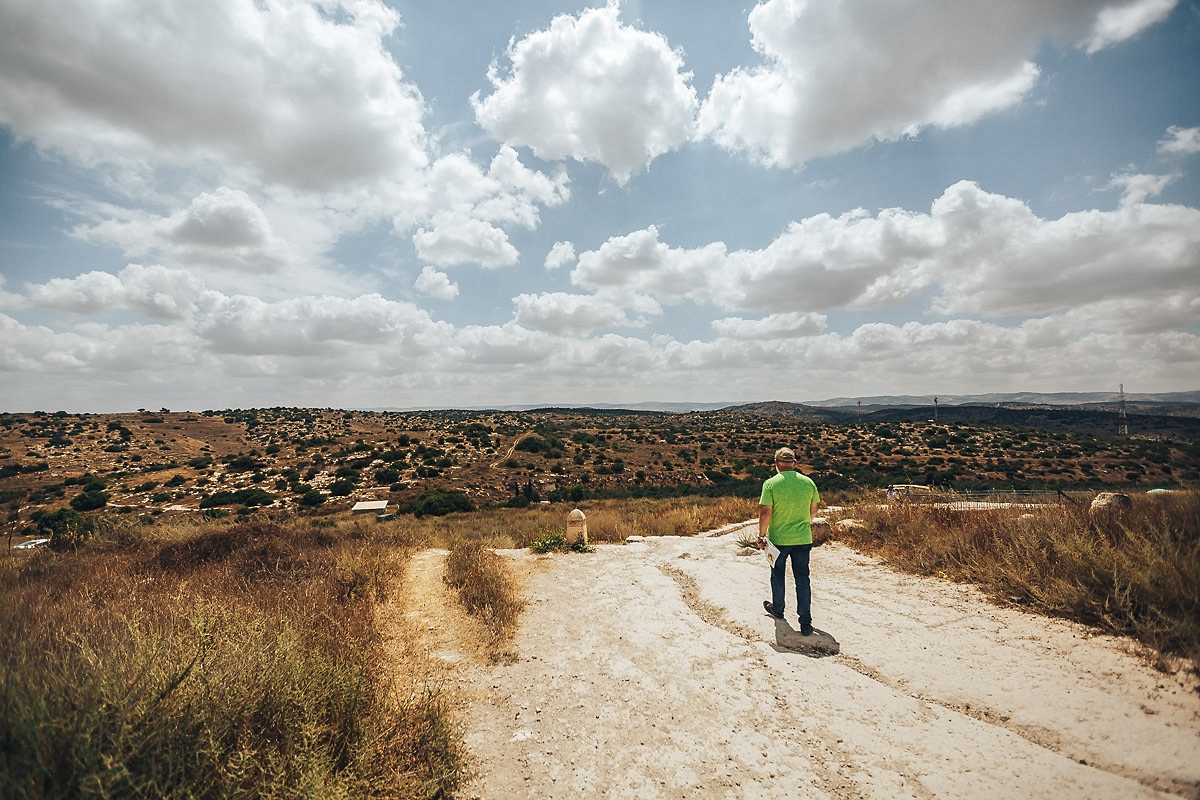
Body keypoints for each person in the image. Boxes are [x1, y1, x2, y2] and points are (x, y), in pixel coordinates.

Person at [757, 447, 821, 635]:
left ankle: (778, 608)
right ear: (794, 463)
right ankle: (806, 621)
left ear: (776, 463)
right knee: (803, 578)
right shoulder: (808, 482)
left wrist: (761, 536)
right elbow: (814, 510)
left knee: (777, 574)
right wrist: (804, 523)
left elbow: (766, 512)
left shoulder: (770, 484)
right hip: (802, 538)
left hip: (779, 540)